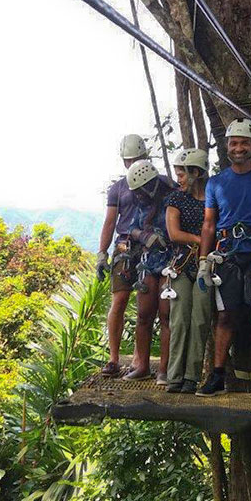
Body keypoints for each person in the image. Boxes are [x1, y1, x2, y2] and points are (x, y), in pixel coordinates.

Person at [195, 118, 251, 402]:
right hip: (227, 254)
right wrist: (203, 260)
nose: (238, 148)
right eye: (234, 143)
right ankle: (218, 376)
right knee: (225, 316)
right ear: (227, 146)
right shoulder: (216, 183)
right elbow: (209, 224)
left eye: (244, 143)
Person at [96, 134, 148, 377]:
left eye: (136, 159)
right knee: (119, 301)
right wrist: (102, 253)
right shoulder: (118, 189)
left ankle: (139, 358)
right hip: (125, 247)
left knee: (145, 305)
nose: (132, 164)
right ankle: (113, 358)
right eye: (129, 160)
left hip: (150, 247)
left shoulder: (158, 183)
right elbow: (110, 222)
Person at [163, 148, 211, 394]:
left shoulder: (213, 197)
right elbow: (174, 234)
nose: (179, 179)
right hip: (182, 265)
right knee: (180, 319)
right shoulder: (175, 199)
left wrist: (203, 244)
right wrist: (199, 239)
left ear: (196, 173)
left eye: (182, 174)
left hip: (206, 264)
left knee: (200, 319)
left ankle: (192, 376)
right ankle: (175, 376)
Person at [124, 159, 175, 383]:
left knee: (166, 316)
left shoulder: (172, 198)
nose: (138, 196)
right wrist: (144, 236)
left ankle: (164, 369)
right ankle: (142, 366)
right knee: (144, 315)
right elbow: (131, 227)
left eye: (140, 191)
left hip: (170, 261)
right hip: (148, 261)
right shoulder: (142, 203)